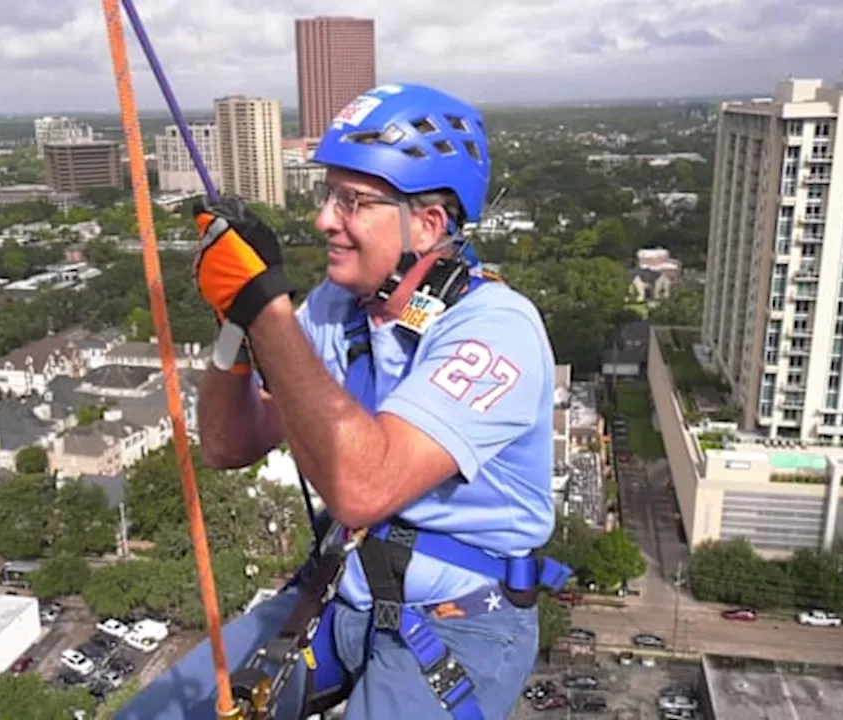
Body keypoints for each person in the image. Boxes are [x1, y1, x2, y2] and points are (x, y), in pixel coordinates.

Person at [119, 84, 564, 720]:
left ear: (428, 224)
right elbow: (227, 444)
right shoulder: (339, 309)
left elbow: (363, 489)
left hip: (462, 621)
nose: (326, 219)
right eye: (329, 195)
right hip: (341, 593)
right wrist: (237, 328)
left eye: (353, 202)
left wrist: (266, 307)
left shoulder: (496, 331)